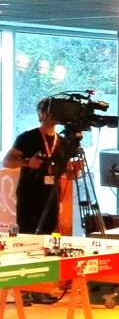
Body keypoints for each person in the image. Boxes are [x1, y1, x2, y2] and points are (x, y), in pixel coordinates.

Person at [3, 97, 72, 234]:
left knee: (50, 235)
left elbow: (68, 172)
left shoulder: (63, 142)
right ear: (41, 114)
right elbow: (6, 161)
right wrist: (27, 163)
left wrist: (74, 171)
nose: (51, 116)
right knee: (28, 235)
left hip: (52, 197)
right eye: (48, 112)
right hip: (29, 196)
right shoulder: (27, 138)